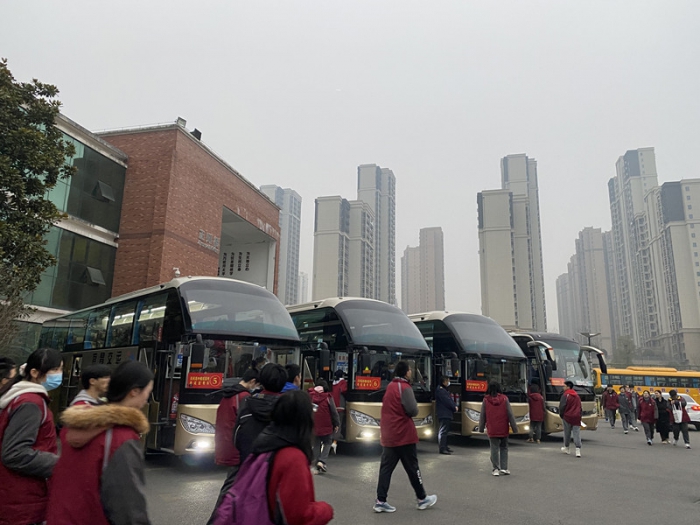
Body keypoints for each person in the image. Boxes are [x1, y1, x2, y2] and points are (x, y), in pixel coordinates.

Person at [46, 360, 153, 525]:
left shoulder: (79, 424)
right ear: (134, 391)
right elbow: (127, 507)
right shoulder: (122, 437)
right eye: (148, 392)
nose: (147, 399)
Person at [214, 390, 333, 525]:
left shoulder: (263, 446)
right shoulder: (293, 458)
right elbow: (298, 516)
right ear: (305, 419)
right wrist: (326, 510)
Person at [0, 348, 62, 525]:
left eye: (60, 369)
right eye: (55, 369)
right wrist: (59, 464)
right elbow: (14, 453)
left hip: (15, 494)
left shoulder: (18, 397)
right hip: (22, 496)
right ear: (34, 372)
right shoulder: (31, 403)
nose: (59, 374)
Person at [373, 360, 437, 513]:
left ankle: (380, 501)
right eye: (410, 370)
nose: (411, 372)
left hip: (389, 434)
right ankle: (422, 498)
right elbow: (413, 410)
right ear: (406, 372)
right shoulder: (405, 388)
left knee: (386, 469)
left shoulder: (390, 386)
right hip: (404, 434)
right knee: (412, 468)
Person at [206, 368, 259, 525]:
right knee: (230, 488)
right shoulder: (244, 397)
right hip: (238, 450)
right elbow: (246, 426)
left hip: (226, 445)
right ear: (253, 382)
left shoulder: (228, 395)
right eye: (257, 385)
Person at [234, 363, 287, 462]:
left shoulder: (246, 402)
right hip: (277, 464)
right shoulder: (288, 407)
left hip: (249, 462)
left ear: (261, 380)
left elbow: (236, 436)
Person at [478, 381, 518, 475]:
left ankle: (495, 469)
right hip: (503, 428)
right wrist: (514, 428)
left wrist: (481, 428)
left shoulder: (486, 400)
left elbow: (483, 415)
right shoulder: (504, 399)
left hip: (492, 428)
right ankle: (504, 468)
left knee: (494, 448)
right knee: (504, 448)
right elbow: (510, 414)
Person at [309, 378, 339, 473]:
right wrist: (336, 423)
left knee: (316, 444)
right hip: (327, 426)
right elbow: (334, 412)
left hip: (314, 426)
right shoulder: (328, 397)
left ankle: (314, 466)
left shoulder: (310, 396)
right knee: (328, 442)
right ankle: (322, 461)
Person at [559, 380, 583, 458]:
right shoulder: (577, 396)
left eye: (564, 386)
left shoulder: (565, 395)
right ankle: (578, 450)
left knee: (567, 432)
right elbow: (580, 407)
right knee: (576, 433)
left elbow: (562, 406)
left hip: (567, 416)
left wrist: (561, 415)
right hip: (576, 417)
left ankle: (567, 448)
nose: (563, 387)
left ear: (568, 387)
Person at [435, 375, 457, 454]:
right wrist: (454, 407)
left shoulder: (443, 390)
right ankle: (442, 448)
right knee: (443, 431)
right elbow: (447, 401)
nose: (448, 382)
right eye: (448, 381)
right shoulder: (441, 391)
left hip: (446, 413)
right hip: (444, 413)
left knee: (445, 431)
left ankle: (445, 446)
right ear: (444, 382)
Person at [330, 369, 347, 454]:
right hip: (340, 407)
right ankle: (334, 442)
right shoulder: (343, 382)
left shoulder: (332, 384)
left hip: (333, 407)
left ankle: (329, 441)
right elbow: (344, 390)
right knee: (338, 425)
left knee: (333, 424)